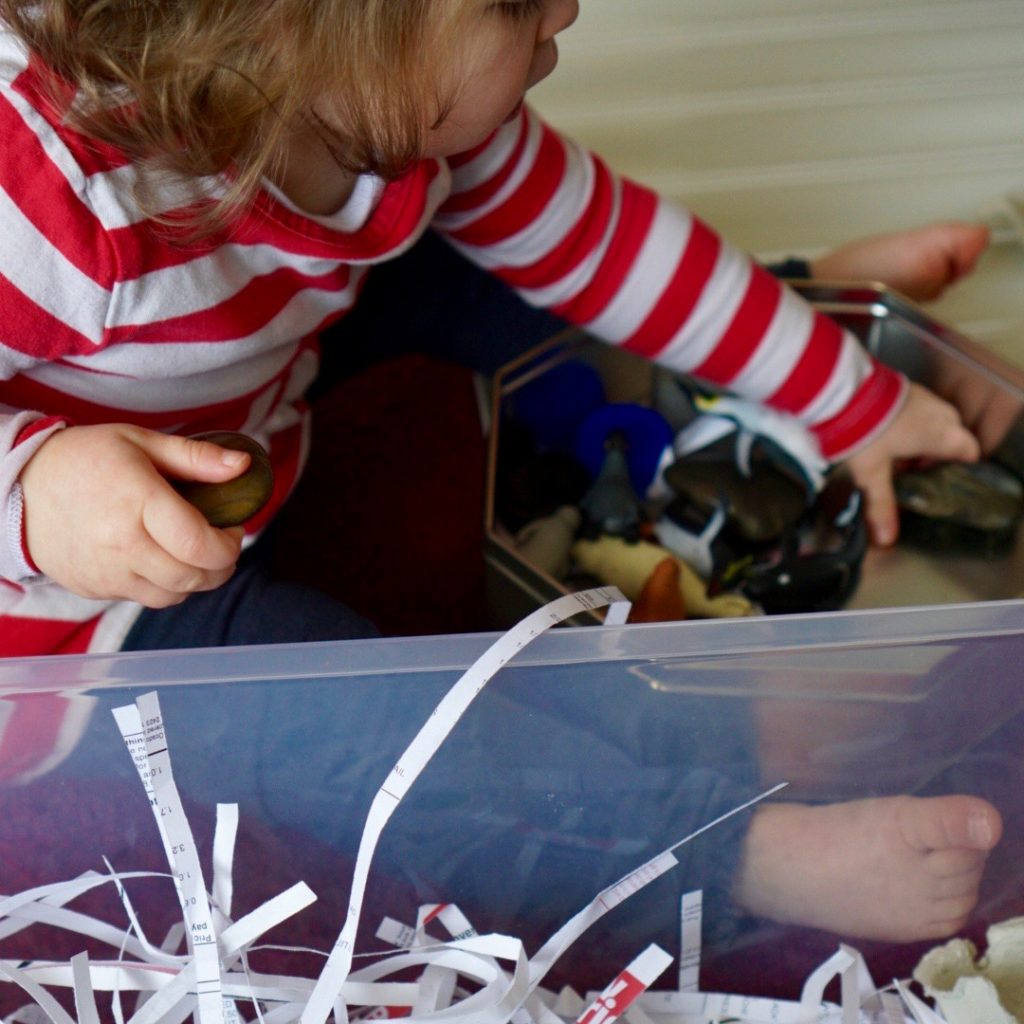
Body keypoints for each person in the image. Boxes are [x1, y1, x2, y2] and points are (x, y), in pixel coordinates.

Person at [0, 0, 1002, 956]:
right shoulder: (50, 204)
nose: (565, 12)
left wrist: (851, 397)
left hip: (244, 383)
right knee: (355, 734)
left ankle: (778, 318)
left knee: (531, 271)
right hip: (70, 611)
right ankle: (724, 854)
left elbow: (601, 246)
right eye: (509, 1)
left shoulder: (391, 105)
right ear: (282, 26)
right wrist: (36, 490)